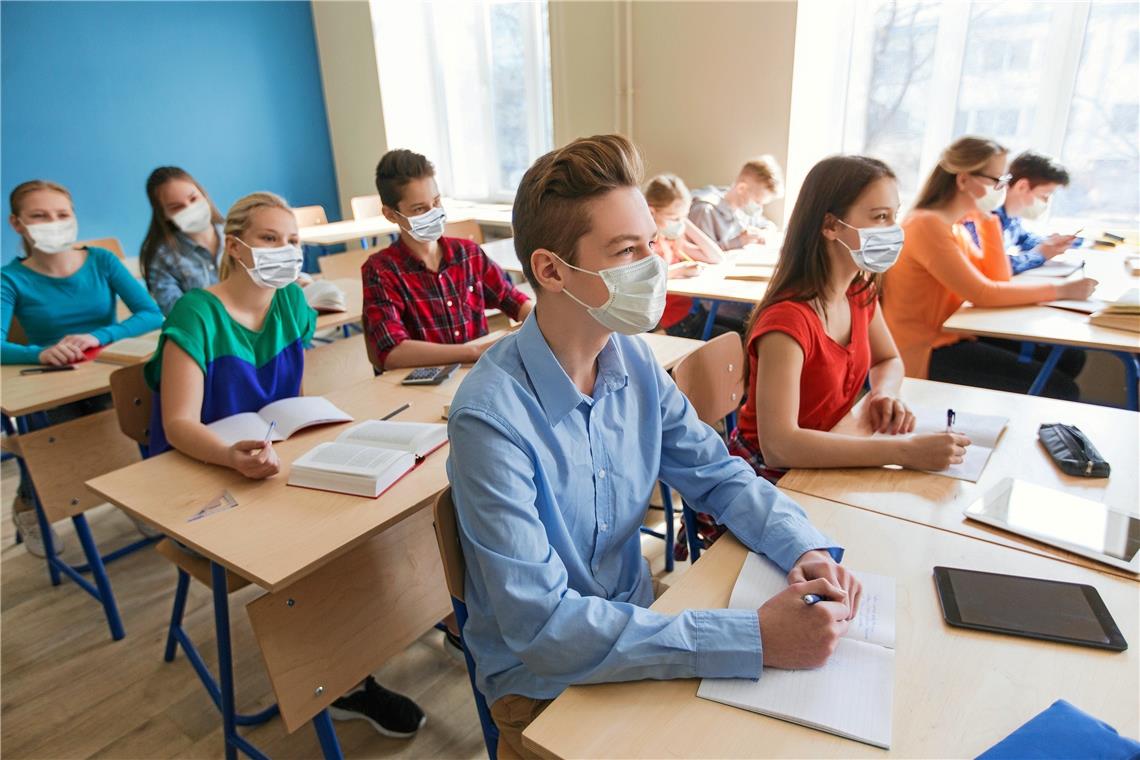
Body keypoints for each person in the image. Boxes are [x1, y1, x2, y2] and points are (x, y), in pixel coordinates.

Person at [446, 134, 862, 760]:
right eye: (627, 250)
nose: (654, 262)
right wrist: (753, 638)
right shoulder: (489, 417)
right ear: (551, 270)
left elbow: (717, 474)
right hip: (542, 687)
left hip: (635, 627)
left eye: (650, 242)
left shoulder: (633, 359)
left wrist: (800, 544)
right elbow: (542, 629)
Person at [144, 191, 426, 739]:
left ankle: (396, 628)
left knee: (371, 510)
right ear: (235, 246)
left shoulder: (292, 307)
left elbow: (282, 406)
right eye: (269, 239)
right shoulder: (197, 312)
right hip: (200, 472)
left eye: (292, 240)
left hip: (266, 462)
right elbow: (179, 423)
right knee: (318, 545)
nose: (284, 250)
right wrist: (229, 455)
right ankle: (344, 681)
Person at [730, 155, 969, 484]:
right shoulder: (787, 324)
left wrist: (885, 393)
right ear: (830, 226)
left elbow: (888, 359)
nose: (893, 230)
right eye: (879, 217)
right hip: (769, 478)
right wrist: (904, 452)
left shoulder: (858, 290)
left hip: (829, 452)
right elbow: (779, 446)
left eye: (893, 216)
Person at [2, 180, 162, 556]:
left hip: (105, 372)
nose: (53, 223)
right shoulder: (10, 278)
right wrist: (40, 353)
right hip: (51, 382)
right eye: (39, 216)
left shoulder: (101, 261)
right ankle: (29, 506)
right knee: (53, 441)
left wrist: (99, 336)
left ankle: (132, 495)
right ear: (17, 224)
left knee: (126, 425)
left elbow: (151, 313)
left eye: (62, 214)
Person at [881, 136, 1097, 401]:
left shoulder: (955, 226)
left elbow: (998, 278)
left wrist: (987, 220)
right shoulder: (926, 225)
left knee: (1071, 358)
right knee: (1061, 388)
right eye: (997, 181)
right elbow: (984, 293)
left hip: (952, 335)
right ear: (963, 180)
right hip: (923, 350)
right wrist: (1063, 290)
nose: (1002, 189)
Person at [361, 149, 533, 371]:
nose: (433, 212)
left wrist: (539, 321)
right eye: (419, 209)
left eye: (436, 201)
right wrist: (473, 353)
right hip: (424, 387)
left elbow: (513, 300)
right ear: (391, 214)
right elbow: (392, 352)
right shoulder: (380, 271)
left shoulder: (467, 253)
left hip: (476, 377)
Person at [643, 173, 724, 338]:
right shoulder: (644, 243)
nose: (678, 223)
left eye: (683, 216)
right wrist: (679, 270)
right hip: (670, 325)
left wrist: (683, 221)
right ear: (652, 212)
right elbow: (644, 279)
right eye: (674, 217)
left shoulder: (669, 238)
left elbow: (716, 256)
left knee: (738, 336)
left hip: (690, 316)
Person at [139, 166, 225, 315]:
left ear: (204, 194)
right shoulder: (163, 258)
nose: (190, 208)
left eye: (193, 198)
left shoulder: (240, 235)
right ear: (163, 214)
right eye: (176, 207)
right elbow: (178, 313)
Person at [992, 151, 1079, 275]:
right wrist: (1040, 254)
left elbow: (1024, 239)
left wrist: (1054, 242)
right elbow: (995, 266)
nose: (1046, 202)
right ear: (1022, 186)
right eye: (1045, 195)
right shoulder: (989, 217)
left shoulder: (1012, 219)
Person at [688, 155, 784, 250]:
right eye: (757, 201)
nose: (760, 208)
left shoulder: (742, 211)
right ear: (741, 188)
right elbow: (703, 253)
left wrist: (763, 233)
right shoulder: (704, 210)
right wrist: (739, 242)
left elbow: (768, 225)